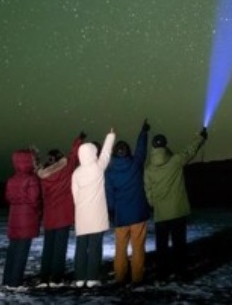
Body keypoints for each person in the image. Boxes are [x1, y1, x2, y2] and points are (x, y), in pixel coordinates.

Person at [144, 126, 208, 281]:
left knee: (162, 247)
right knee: (179, 245)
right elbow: (190, 151)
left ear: (153, 146)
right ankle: (181, 272)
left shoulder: (148, 169)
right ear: (166, 145)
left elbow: (148, 190)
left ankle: (162, 274)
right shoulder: (175, 160)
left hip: (161, 213)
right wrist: (201, 137)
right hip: (178, 211)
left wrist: (154, 204)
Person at [35, 131, 85, 286]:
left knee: (48, 247)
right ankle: (56, 277)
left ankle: (44, 276)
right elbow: (73, 155)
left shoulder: (43, 177)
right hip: (63, 216)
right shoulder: (66, 169)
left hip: (50, 217)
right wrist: (79, 140)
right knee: (60, 247)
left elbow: (41, 197)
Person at [105, 118, 151, 286]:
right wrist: (143, 132)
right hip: (138, 214)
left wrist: (111, 212)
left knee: (120, 249)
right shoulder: (135, 165)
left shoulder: (109, 173)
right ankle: (137, 278)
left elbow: (109, 196)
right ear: (128, 152)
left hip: (121, 217)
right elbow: (141, 150)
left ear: (115, 153)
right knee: (138, 248)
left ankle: (120, 277)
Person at [71, 128, 116, 288]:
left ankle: (79, 278)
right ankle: (92, 278)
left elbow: (75, 196)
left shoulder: (76, 173)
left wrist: (81, 208)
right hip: (96, 215)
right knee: (95, 247)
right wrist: (110, 135)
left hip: (82, 215)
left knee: (81, 247)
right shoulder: (97, 168)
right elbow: (106, 153)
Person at [3, 147, 42, 288]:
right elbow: (34, 199)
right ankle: (15, 282)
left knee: (13, 249)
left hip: (14, 217)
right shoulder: (32, 179)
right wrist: (38, 210)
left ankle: (7, 279)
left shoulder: (12, 179)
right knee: (22, 250)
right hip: (27, 218)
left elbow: (8, 197)